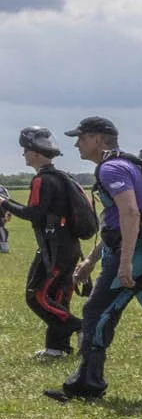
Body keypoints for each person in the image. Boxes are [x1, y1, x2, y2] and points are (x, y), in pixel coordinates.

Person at [46, 116, 142, 402]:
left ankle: (87, 384)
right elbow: (115, 223)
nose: (77, 143)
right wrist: (92, 261)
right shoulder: (124, 164)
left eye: (81, 138)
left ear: (98, 139)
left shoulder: (111, 169)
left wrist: (125, 262)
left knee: (96, 312)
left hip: (139, 254)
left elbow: (130, 214)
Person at [4, 127, 88, 358]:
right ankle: (56, 348)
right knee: (58, 295)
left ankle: (80, 327)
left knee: (36, 296)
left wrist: (5, 203)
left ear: (35, 153)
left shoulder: (42, 180)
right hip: (69, 246)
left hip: (54, 248)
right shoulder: (60, 177)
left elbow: (34, 213)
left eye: (25, 151)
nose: (23, 155)